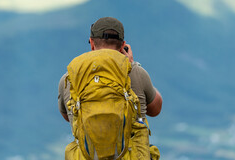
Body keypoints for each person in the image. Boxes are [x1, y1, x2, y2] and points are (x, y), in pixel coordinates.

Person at [58, 17, 162, 159]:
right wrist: (132, 65)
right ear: (123, 46)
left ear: (92, 43)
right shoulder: (135, 72)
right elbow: (155, 109)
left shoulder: (69, 78)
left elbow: (67, 116)